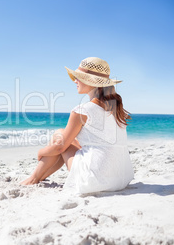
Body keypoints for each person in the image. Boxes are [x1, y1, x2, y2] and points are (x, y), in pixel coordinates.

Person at [20, 57, 134, 194]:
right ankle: (38, 177)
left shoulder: (82, 110)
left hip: (96, 179)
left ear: (90, 81)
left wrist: (41, 152)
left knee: (60, 135)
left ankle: (34, 178)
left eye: (78, 77)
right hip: (120, 178)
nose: (75, 81)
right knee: (68, 139)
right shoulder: (116, 110)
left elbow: (60, 147)